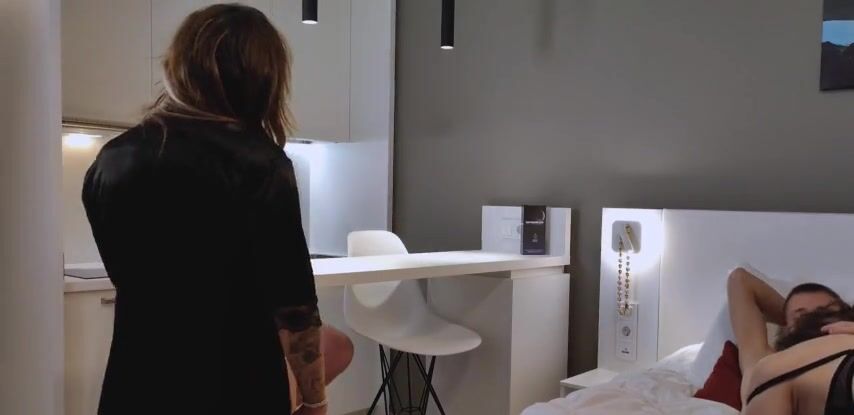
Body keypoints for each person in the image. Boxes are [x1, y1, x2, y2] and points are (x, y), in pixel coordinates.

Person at [82, 4, 352, 414]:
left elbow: (136, 281)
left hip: (135, 386)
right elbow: (295, 310)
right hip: (236, 389)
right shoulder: (262, 164)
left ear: (179, 67)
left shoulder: (112, 160)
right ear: (265, 79)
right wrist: (315, 401)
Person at [727, 268, 854, 414]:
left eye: (827, 311)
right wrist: (810, 320)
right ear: (785, 328)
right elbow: (740, 280)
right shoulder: (767, 364)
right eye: (800, 315)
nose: (813, 317)